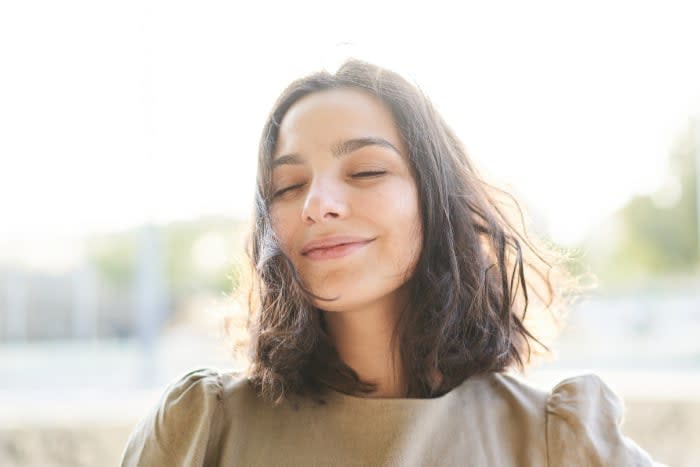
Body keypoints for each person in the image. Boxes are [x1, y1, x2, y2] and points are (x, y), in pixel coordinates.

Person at [121, 58, 665, 466]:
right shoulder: (204, 427)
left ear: (436, 200)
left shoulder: (556, 441)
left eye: (366, 172)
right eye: (288, 185)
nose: (317, 204)